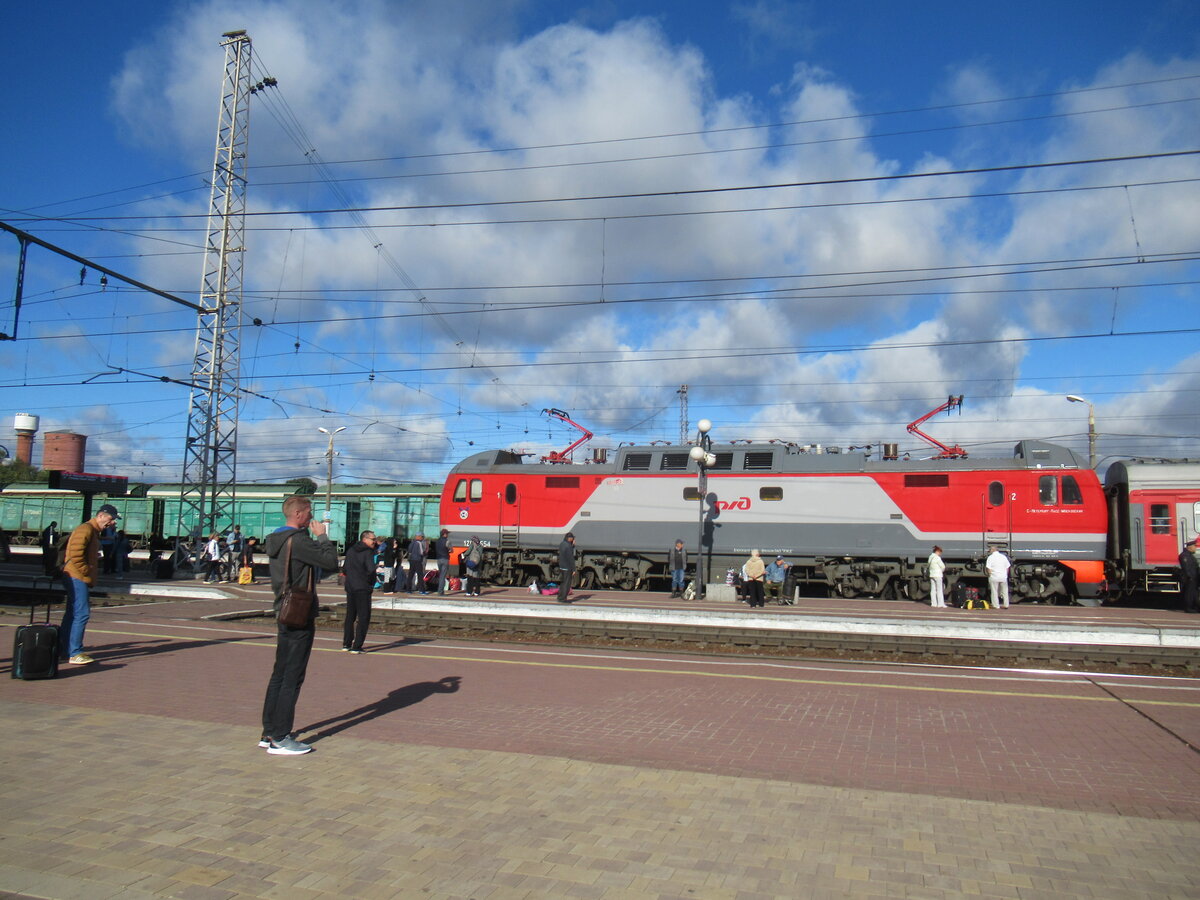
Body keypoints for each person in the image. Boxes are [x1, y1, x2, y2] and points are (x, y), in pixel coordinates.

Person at [260, 495, 339, 755]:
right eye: (308, 512)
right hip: (299, 613)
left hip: (282, 608)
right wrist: (323, 536)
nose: (311, 517)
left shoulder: (276, 538)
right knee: (292, 676)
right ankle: (281, 737)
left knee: (279, 673)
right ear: (298, 515)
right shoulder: (299, 540)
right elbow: (330, 563)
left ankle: (269, 731)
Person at [60, 504, 120, 665]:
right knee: (82, 613)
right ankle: (75, 652)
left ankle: (64, 650)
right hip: (77, 577)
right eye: (111, 519)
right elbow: (75, 552)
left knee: (72, 613)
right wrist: (86, 570)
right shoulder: (85, 529)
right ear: (101, 515)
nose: (113, 523)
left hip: (77, 576)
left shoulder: (92, 531)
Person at [341, 530, 378, 653]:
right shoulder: (368, 552)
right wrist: (370, 583)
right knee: (363, 617)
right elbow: (371, 570)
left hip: (351, 587)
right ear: (365, 539)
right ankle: (357, 646)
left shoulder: (351, 550)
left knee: (350, 616)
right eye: (372, 539)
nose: (374, 541)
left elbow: (345, 569)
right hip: (362, 588)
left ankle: (346, 644)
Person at [1180, 538, 1199, 614]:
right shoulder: (1184, 556)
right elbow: (1186, 567)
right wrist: (1190, 576)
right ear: (1189, 547)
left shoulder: (1190, 555)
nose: (1195, 548)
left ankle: (1194, 606)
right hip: (1190, 578)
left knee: (1194, 593)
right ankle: (1188, 607)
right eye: (1194, 546)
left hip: (1194, 577)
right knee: (1189, 593)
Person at [556, 532, 576, 603]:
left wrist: (572, 546)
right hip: (567, 567)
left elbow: (565, 552)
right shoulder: (568, 546)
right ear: (570, 538)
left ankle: (559, 597)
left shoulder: (562, 544)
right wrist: (574, 569)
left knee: (563, 583)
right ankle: (563, 599)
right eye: (572, 538)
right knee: (567, 584)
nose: (573, 539)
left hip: (562, 566)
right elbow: (571, 558)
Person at [435, 528, 452, 594]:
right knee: (442, 575)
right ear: (444, 534)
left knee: (440, 574)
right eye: (447, 533)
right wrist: (448, 550)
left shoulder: (437, 541)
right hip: (445, 559)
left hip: (438, 559)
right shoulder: (447, 541)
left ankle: (439, 589)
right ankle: (440, 591)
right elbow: (451, 550)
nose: (448, 535)